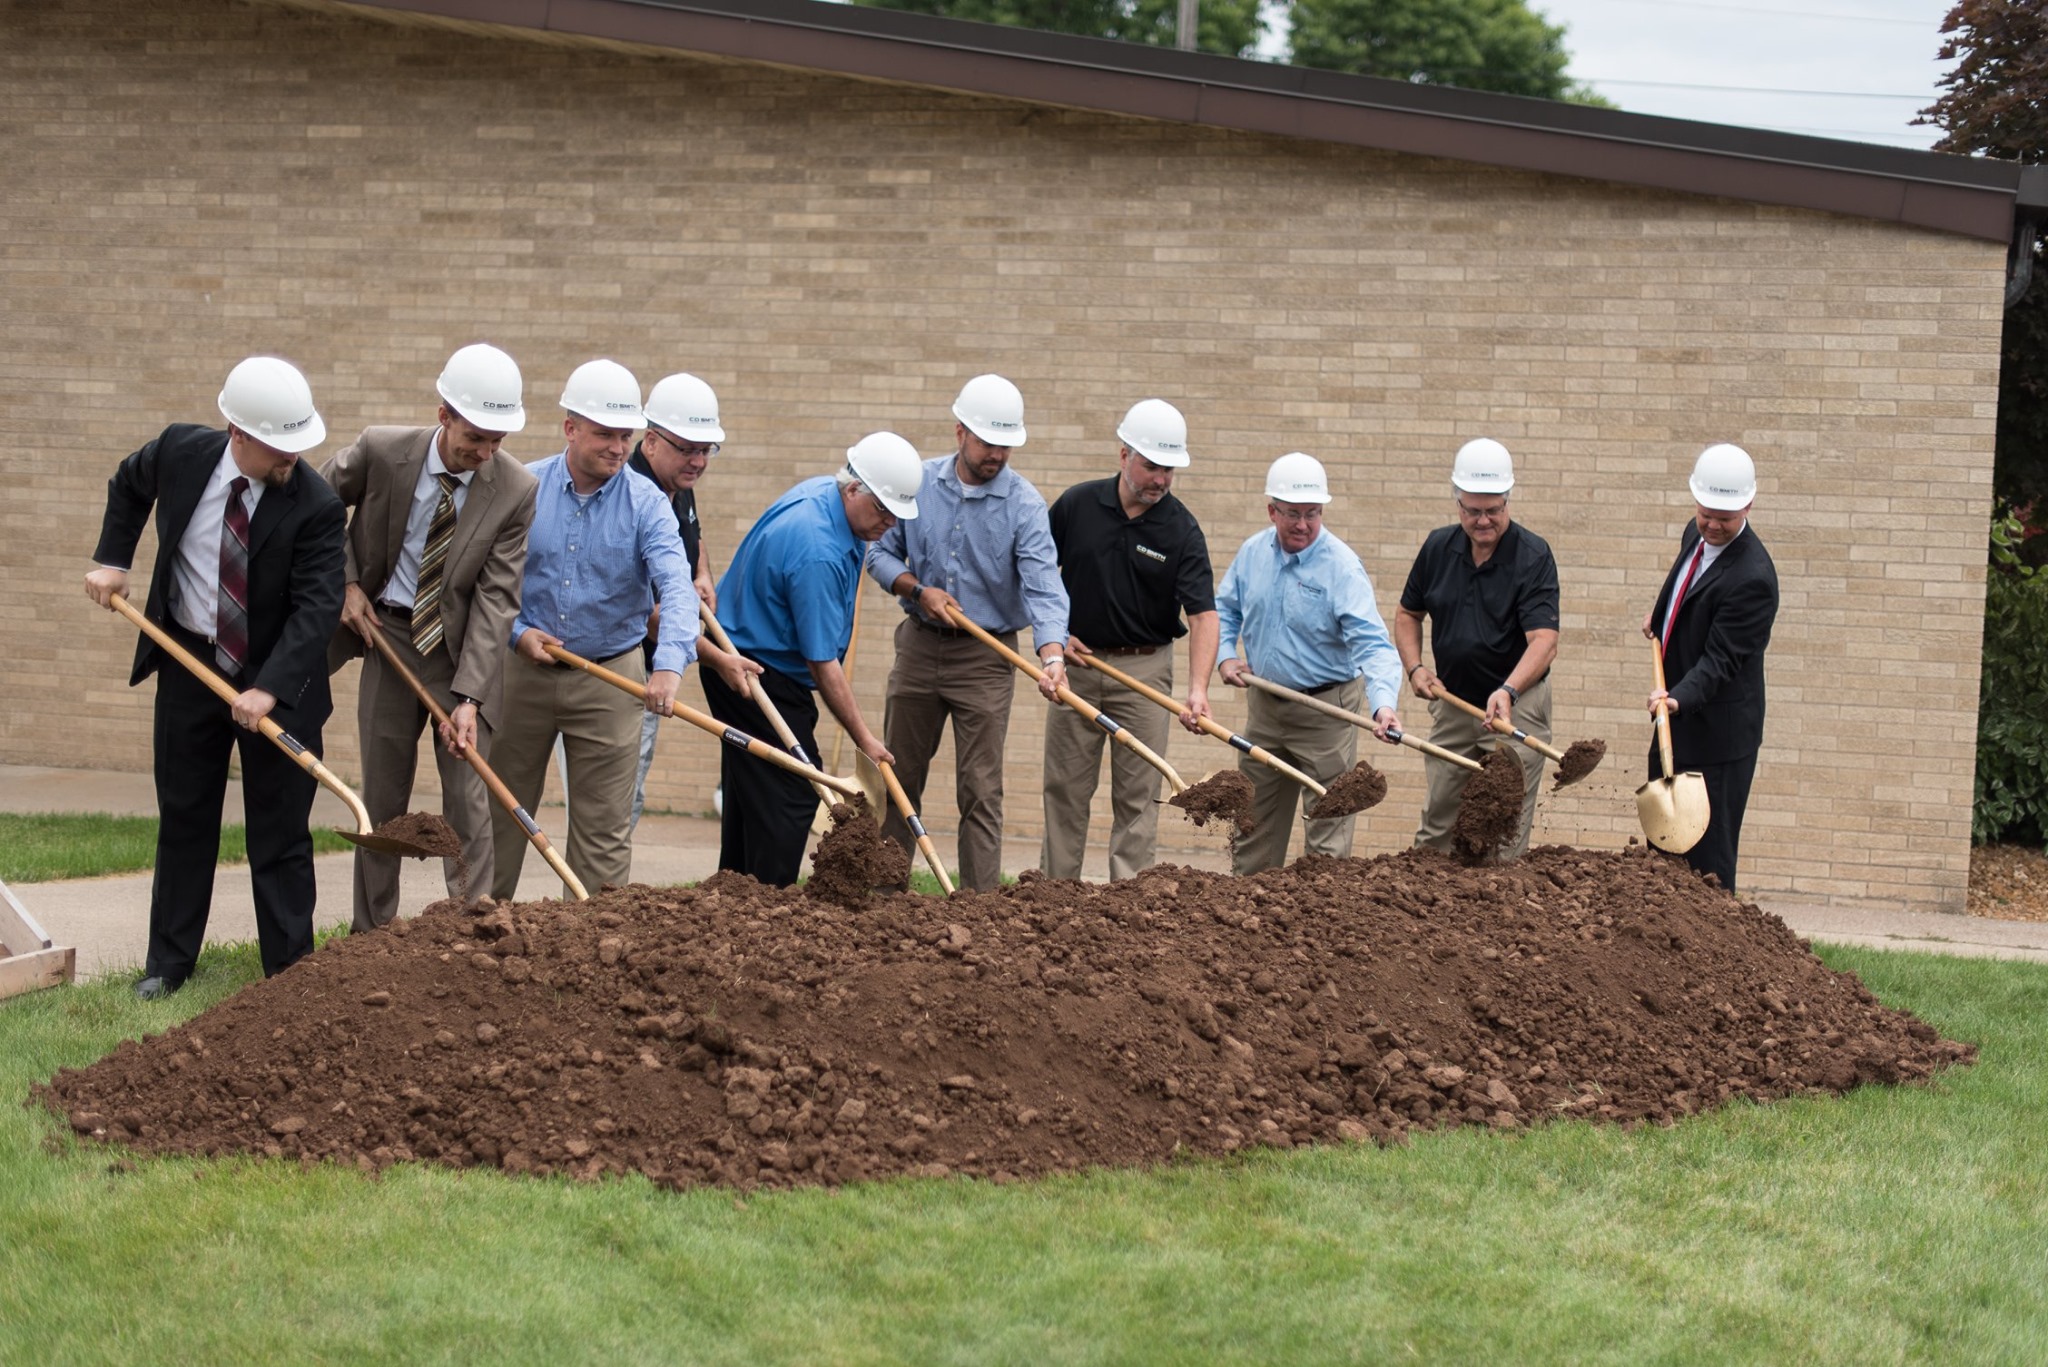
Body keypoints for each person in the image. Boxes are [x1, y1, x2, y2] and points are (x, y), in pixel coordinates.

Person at [84, 356, 344, 998]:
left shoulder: (315, 505)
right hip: (188, 661)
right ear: (238, 433)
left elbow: (318, 608)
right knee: (185, 817)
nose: (294, 457)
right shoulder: (179, 451)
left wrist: (269, 688)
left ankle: (288, 975)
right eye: (282, 445)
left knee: (280, 831)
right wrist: (113, 559)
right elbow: (127, 483)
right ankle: (168, 966)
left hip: (278, 682)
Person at [322, 344, 539, 932]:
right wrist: (344, 583)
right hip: (387, 634)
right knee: (383, 797)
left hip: (460, 650)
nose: (486, 452)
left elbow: (497, 599)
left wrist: (467, 698)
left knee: (469, 798)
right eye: (476, 437)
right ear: (444, 414)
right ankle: (372, 933)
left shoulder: (516, 489)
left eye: (497, 441)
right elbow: (315, 509)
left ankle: (473, 928)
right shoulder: (381, 449)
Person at [488, 359, 697, 900]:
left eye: (625, 436)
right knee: (498, 812)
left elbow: (677, 587)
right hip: (522, 671)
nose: (617, 447)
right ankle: (478, 934)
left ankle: (589, 951)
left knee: (604, 833)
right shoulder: (522, 487)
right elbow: (486, 579)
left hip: (610, 677)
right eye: (604, 433)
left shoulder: (648, 504)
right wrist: (516, 632)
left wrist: (670, 665)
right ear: (570, 428)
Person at [868, 374, 1069, 891]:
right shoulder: (919, 483)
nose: (997, 455)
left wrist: (1052, 655)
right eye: (987, 443)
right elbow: (878, 551)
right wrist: (917, 590)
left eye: (1005, 445)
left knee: (980, 788)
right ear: (960, 432)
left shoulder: (1024, 506)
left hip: (987, 656)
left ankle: (980, 910)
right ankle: (885, 896)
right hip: (917, 646)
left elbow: (1044, 587)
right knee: (900, 776)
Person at [708, 433, 924, 884]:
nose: (888, 523)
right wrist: (865, 738)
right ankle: (773, 907)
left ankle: (734, 896)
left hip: (748, 658)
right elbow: (822, 665)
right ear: (853, 490)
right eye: (882, 510)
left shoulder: (822, 496)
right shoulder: (818, 550)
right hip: (754, 675)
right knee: (791, 799)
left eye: (895, 514)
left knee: (752, 794)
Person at [1040, 399, 1218, 881]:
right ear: (1124, 455)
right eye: (1152, 466)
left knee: (1138, 797)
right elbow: (1035, 575)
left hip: (1144, 671)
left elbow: (1203, 616)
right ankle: (1053, 899)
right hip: (1075, 668)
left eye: (1169, 469)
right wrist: (1054, 638)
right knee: (1065, 790)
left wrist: (1198, 688)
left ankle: (1127, 907)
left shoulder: (1181, 529)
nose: (1161, 479)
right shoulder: (1077, 505)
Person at [1214, 452, 1403, 875]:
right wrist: (1226, 654)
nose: (1303, 524)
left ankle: (1318, 929)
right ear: (1272, 511)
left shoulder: (1341, 567)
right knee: (1253, 822)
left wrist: (1383, 704)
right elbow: (1224, 609)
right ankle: (1249, 917)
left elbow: (1373, 645)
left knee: (1327, 831)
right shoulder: (1251, 554)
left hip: (1327, 714)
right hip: (1265, 707)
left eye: (1312, 514)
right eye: (1293, 514)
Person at [1394, 438, 1560, 861]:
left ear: (1507, 502)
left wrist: (1508, 690)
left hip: (1515, 706)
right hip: (1453, 702)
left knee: (1504, 829)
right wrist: (1414, 668)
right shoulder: (1437, 548)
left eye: (1493, 510)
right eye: (1473, 510)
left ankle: (1501, 915)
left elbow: (1545, 641)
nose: (1483, 520)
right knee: (1438, 822)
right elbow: (1407, 614)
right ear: (1458, 504)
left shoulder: (1533, 555)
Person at [1642, 442, 1778, 893]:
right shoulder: (1695, 532)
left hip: (1718, 737)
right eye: (1707, 513)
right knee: (1664, 856)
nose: (1714, 525)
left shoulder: (1753, 578)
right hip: (1678, 722)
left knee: (1708, 865)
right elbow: (1683, 582)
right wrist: (1662, 617)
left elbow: (1721, 660)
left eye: (1727, 517)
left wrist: (1677, 698)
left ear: (1749, 505)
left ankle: (1714, 957)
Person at [625, 372, 755, 830]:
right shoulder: (630, 494)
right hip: (621, 663)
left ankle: (601, 894)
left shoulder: (677, 481)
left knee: (627, 792)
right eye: (687, 448)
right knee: (620, 796)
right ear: (651, 439)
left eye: (706, 449)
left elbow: (692, 539)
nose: (698, 460)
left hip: (653, 659)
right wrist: (719, 658)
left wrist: (701, 575)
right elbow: (648, 615)